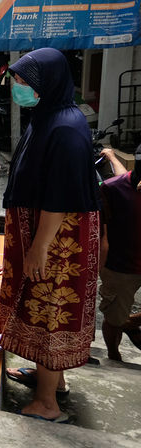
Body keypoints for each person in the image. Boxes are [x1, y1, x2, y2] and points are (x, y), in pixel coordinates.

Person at [0, 48, 101, 423]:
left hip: (57, 238)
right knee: (39, 305)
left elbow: (59, 196)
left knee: (51, 309)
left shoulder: (67, 130)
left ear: (50, 83)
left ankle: (47, 404)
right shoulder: (49, 116)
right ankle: (51, 381)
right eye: (17, 80)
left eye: (25, 82)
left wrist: (39, 247)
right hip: (43, 229)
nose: (17, 88)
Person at [96, 146, 141, 361]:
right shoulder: (112, 188)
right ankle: (114, 357)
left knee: (119, 318)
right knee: (113, 317)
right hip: (120, 266)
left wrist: (112, 156)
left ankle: (129, 322)